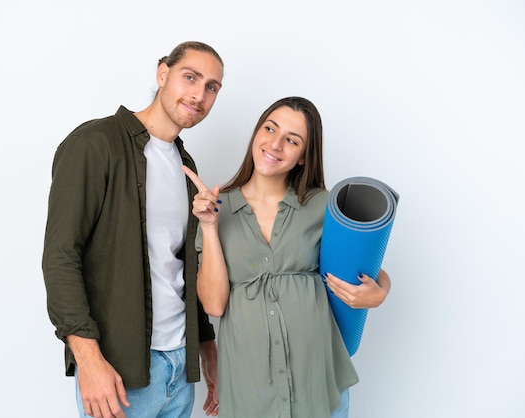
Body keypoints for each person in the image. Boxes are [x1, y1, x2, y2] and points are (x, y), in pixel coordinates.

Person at [42, 41, 225, 418]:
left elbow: (181, 266)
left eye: (211, 87)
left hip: (180, 368)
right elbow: (61, 257)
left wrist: (206, 349)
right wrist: (88, 358)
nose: (199, 94)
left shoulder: (185, 166)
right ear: (162, 73)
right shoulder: (94, 144)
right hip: (120, 372)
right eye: (190, 77)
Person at [182, 96, 391, 418]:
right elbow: (213, 304)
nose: (275, 145)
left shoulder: (322, 205)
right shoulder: (215, 207)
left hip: (317, 379)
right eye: (270, 129)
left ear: (304, 157)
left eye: (291, 140)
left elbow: (366, 263)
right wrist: (209, 226)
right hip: (248, 383)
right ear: (256, 133)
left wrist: (381, 292)